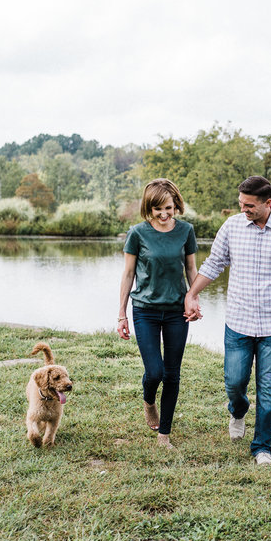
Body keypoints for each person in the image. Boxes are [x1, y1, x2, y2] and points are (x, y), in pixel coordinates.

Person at [184, 175, 271, 466]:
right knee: (235, 382)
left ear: (268, 203)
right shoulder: (232, 226)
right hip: (238, 322)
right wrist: (192, 293)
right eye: (241, 203)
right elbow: (214, 263)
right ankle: (238, 411)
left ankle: (262, 447)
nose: (244, 210)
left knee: (269, 388)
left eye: (249, 205)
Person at [118, 178, 198, 448]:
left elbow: (191, 270)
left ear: (176, 204)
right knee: (155, 372)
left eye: (168, 208)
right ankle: (149, 400)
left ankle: (165, 433)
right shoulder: (137, 233)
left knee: (172, 374)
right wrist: (121, 314)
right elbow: (128, 274)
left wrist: (193, 298)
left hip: (177, 311)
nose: (164, 215)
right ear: (148, 209)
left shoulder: (186, 231)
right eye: (157, 210)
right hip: (145, 311)